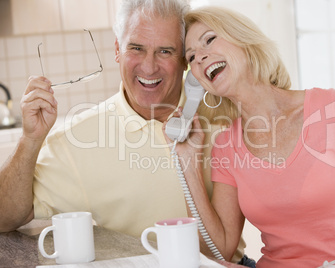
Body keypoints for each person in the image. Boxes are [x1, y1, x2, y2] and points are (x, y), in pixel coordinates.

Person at [0, 0, 251, 264]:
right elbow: (4, 216)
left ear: (183, 60)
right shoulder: (77, 138)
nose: (149, 66)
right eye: (136, 48)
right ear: (118, 49)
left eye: (165, 51)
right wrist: (30, 140)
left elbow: (224, 249)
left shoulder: (225, 113)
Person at [167, 6, 335, 268]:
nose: (199, 58)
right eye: (191, 58)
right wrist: (188, 162)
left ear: (243, 40)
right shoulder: (226, 146)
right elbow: (219, 248)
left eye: (209, 40)